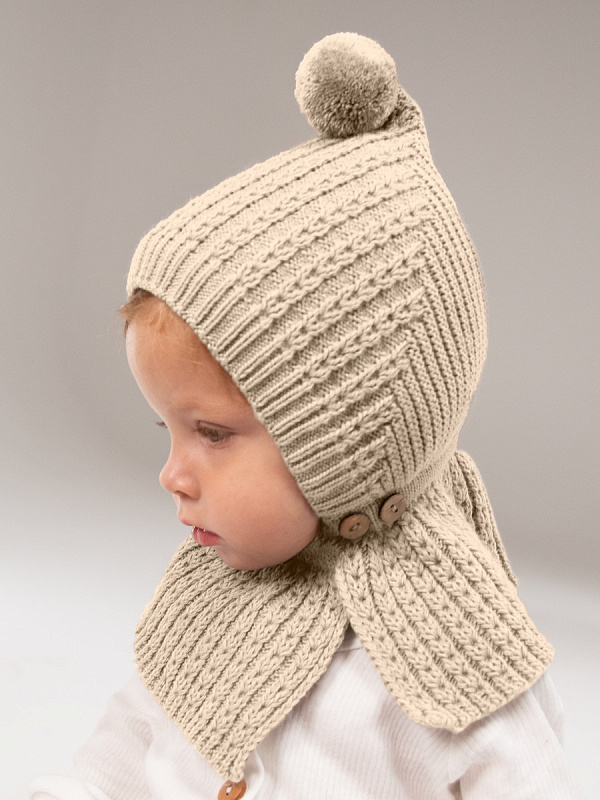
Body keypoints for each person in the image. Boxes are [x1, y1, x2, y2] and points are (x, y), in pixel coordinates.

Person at [29, 32, 583, 799]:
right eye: (169, 430)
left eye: (212, 433)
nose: (171, 475)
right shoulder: (214, 605)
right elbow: (128, 743)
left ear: (348, 450)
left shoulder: (453, 668)